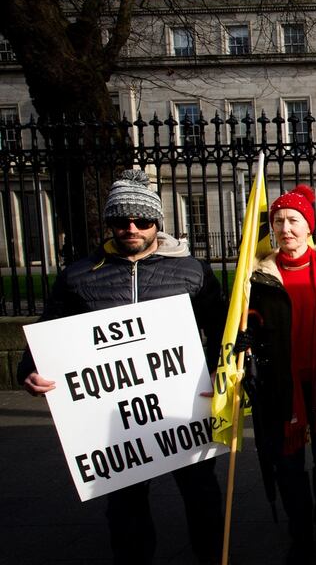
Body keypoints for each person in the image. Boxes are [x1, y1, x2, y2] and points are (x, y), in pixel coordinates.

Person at [18, 169, 225, 565]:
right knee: (126, 507)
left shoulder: (192, 271)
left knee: (202, 494)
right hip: (114, 418)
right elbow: (47, 331)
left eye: (142, 220)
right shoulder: (78, 276)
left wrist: (221, 370)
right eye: (120, 220)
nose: (131, 228)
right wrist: (28, 369)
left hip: (182, 405)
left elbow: (220, 328)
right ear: (109, 223)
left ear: (157, 224)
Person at [246, 185, 316, 565]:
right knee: (288, 464)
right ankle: (301, 534)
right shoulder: (257, 277)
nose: (286, 228)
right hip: (282, 388)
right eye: (278, 221)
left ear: (309, 226)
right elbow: (246, 328)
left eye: (294, 220)